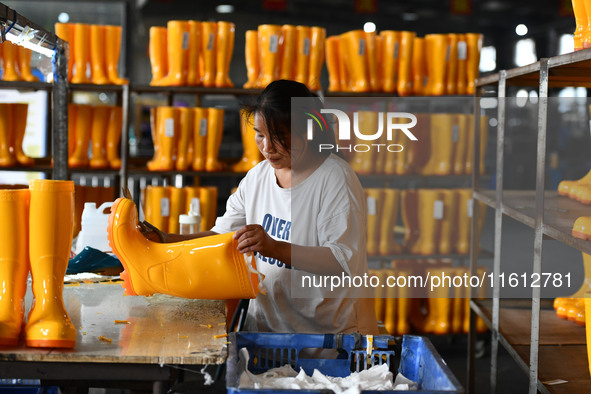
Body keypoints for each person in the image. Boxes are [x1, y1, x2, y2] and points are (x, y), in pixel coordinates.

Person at [145, 80, 378, 335]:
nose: (267, 148)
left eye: (279, 137)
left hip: (327, 342)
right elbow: (219, 236)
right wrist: (163, 240)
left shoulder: (335, 179)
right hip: (269, 333)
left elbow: (341, 260)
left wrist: (273, 247)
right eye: (260, 135)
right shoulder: (257, 177)